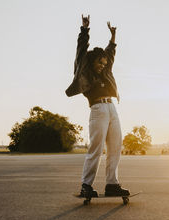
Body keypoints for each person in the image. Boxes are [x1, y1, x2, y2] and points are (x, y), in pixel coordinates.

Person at [66, 14, 129, 198]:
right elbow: (81, 50)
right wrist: (84, 29)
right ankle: (86, 185)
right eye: (99, 62)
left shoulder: (106, 71)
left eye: (104, 62)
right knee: (96, 147)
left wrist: (113, 38)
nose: (102, 65)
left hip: (112, 108)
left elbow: (110, 54)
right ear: (91, 61)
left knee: (116, 146)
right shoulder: (85, 70)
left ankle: (112, 184)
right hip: (98, 110)